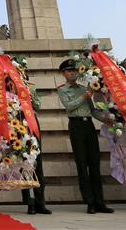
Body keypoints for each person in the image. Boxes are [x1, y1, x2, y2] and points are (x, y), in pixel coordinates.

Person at [57, 58, 113, 215]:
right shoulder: (62, 89)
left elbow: (93, 110)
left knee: (94, 164)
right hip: (76, 126)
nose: (72, 73)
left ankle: (100, 201)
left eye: (74, 71)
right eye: (69, 71)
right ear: (63, 74)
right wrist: (85, 96)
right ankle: (89, 202)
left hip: (89, 126)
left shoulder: (84, 89)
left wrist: (106, 120)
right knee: (82, 165)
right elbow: (69, 106)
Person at [20, 76, 51, 215]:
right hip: (19, 123)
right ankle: (30, 202)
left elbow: (38, 105)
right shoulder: (8, 87)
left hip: (33, 122)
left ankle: (40, 202)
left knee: (38, 163)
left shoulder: (30, 86)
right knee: (25, 164)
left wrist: (29, 95)